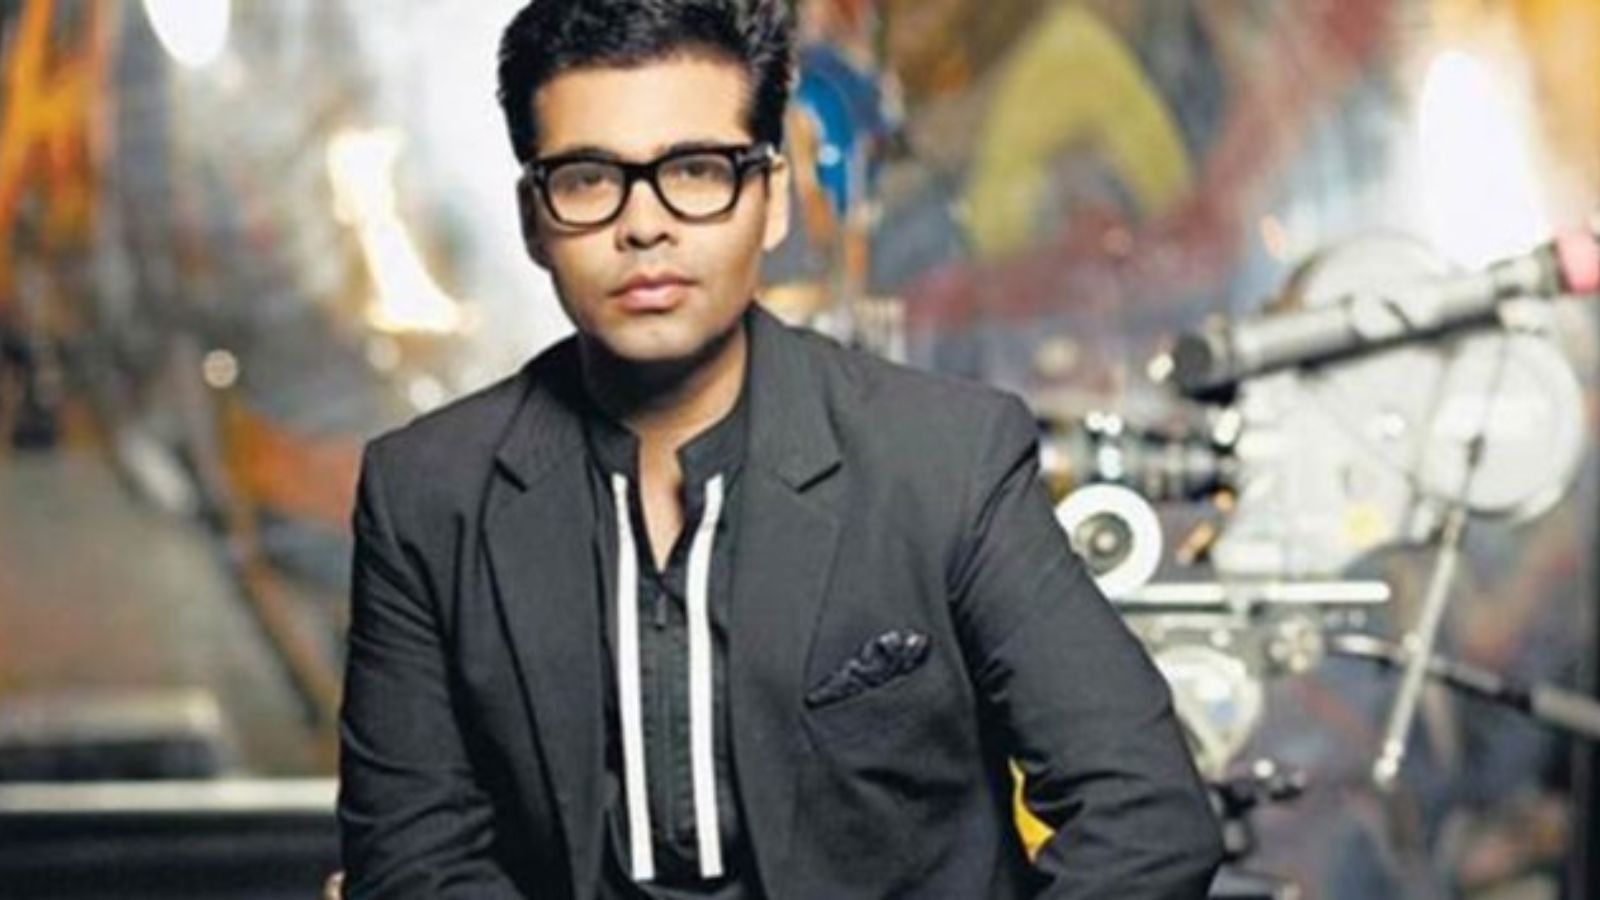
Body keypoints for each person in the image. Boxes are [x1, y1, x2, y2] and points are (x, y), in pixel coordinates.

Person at [336, 1, 1224, 897]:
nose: (644, 226)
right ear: (535, 219)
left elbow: (1144, 818)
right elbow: (414, 861)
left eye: (696, 170)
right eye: (588, 178)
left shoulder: (944, 461)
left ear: (771, 202)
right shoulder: (429, 494)